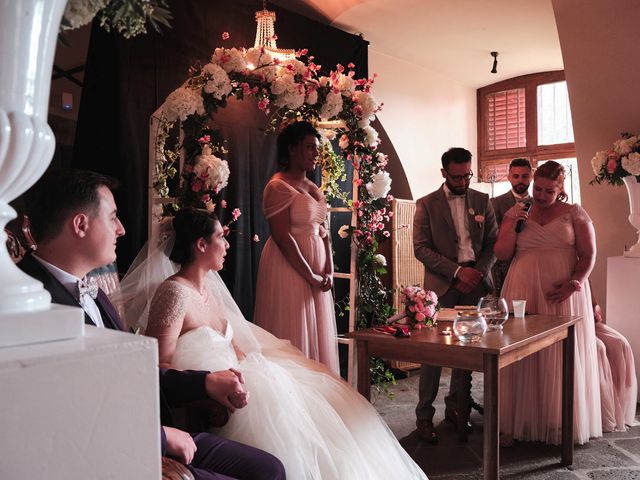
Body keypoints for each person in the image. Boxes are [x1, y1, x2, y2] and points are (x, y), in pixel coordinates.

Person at [19, 169, 286, 480]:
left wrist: (205, 381)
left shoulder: (96, 294)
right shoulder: (30, 301)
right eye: (113, 217)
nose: (121, 229)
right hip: (108, 449)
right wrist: (159, 436)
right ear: (81, 224)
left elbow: (131, 371)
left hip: (150, 428)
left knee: (271, 468)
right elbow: (61, 409)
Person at [139, 207, 428, 480]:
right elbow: (159, 364)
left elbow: (229, 342)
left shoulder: (209, 290)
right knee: (292, 423)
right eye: (221, 238)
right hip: (217, 387)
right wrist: (213, 382)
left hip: (239, 374)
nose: (227, 246)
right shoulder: (175, 293)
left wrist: (253, 364)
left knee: (326, 406)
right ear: (201, 245)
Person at [494, 160, 601, 445]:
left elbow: (588, 254)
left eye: (548, 191)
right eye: (537, 189)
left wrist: (575, 282)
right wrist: (513, 226)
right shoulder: (516, 213)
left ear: (560, 188)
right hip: (522, 288)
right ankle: (516, 421)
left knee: (558, 353)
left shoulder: (574, 213)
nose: (540, 195)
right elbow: (502, 254)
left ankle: (557, 421)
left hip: (561, 292)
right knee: (519, 352)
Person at [413, 147, 498, 443]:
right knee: (433, 355)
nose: (463, 181)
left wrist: (476, 272)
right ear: (444, 173)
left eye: (467, 175)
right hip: (443, 286)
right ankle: (424, 416)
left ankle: (456, 407)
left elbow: (492, 243)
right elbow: (421, 248)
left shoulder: (482, 200)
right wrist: (456, 272)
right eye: (457, 176)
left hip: (475, 282)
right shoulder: (426, 204)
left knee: (466, 352)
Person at [253, 121, 339, 375]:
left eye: (317, 148)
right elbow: (282, 237)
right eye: (310, 147)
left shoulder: (312, 186)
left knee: (317, 331)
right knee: (295, 327)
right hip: (290, 267)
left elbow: (323, 231)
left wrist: (329, 270)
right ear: (292, 149)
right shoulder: (278, 186)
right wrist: (309, 274)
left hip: (317, 269)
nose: (316, 153)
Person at [591, 291, 638, 432]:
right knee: (599, 348)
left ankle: (620, 409)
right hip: (576, 327)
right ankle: (600, 413)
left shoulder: (584, 277)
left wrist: (595, 311)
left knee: (620, 344)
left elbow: (596, 305)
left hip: (590, 324)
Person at [490, 158, 532, 294]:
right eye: (516, 176)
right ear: (509, 177)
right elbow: (492, 237)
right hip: (503, 267)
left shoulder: (540, 204)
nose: (520, 180)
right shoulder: (495, 203)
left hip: (531, 263)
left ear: (531, 177)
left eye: (525, 176)